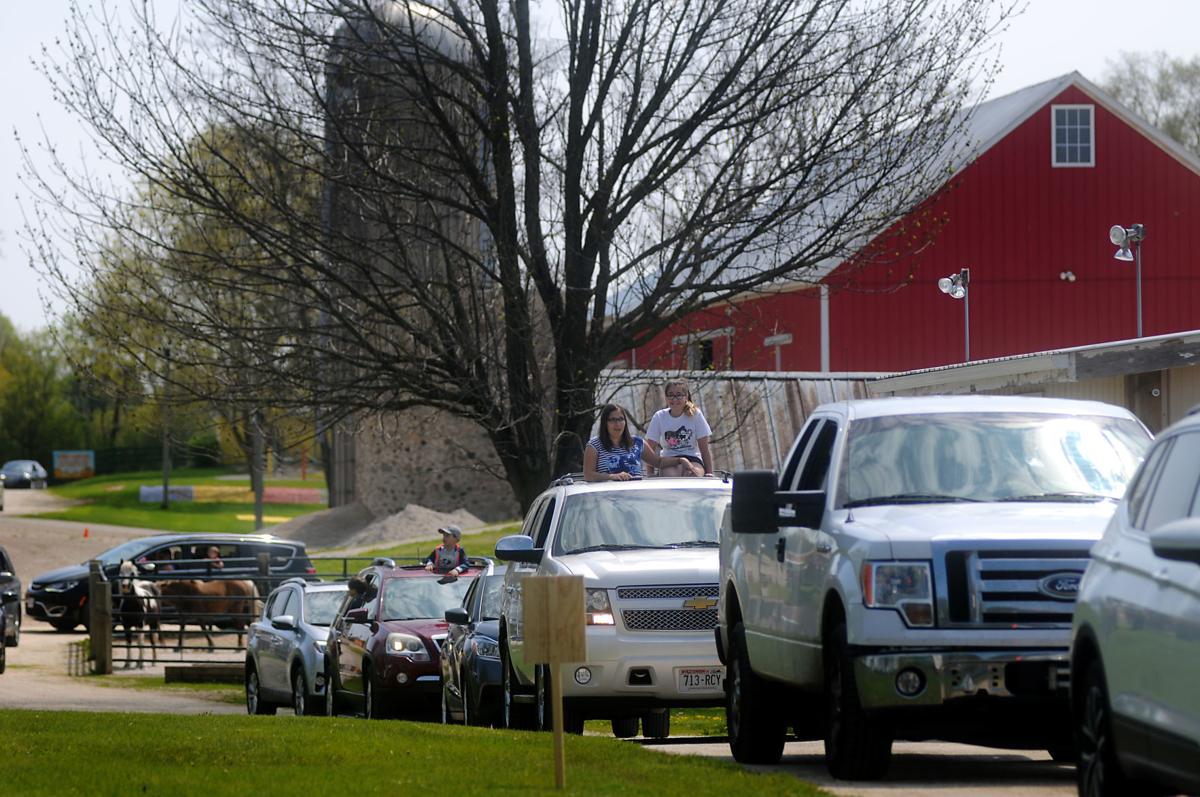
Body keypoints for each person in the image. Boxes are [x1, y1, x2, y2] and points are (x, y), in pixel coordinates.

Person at [583, 403, 675, 482]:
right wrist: (611, 476)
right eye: (613, 420)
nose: (618, 424)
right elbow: (588, 475)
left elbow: (658, 462)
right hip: (607, 499)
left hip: (635, 498)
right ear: (605, 423)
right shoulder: (594, 445)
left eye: (621, 419)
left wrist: (681, 460)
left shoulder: (637, 443)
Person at [645, 380, 714, 477]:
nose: (674, 399)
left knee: (693, 474)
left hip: (692, 458)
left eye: (679, 395)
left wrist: (709, 473)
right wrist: (650, 473)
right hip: (669, 459)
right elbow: (650, 448)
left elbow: (704, 449)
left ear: (686, 397)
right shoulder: (659, 416)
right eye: (671, 395)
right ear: (666, 398)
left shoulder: (696, 415)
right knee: (671, 477)